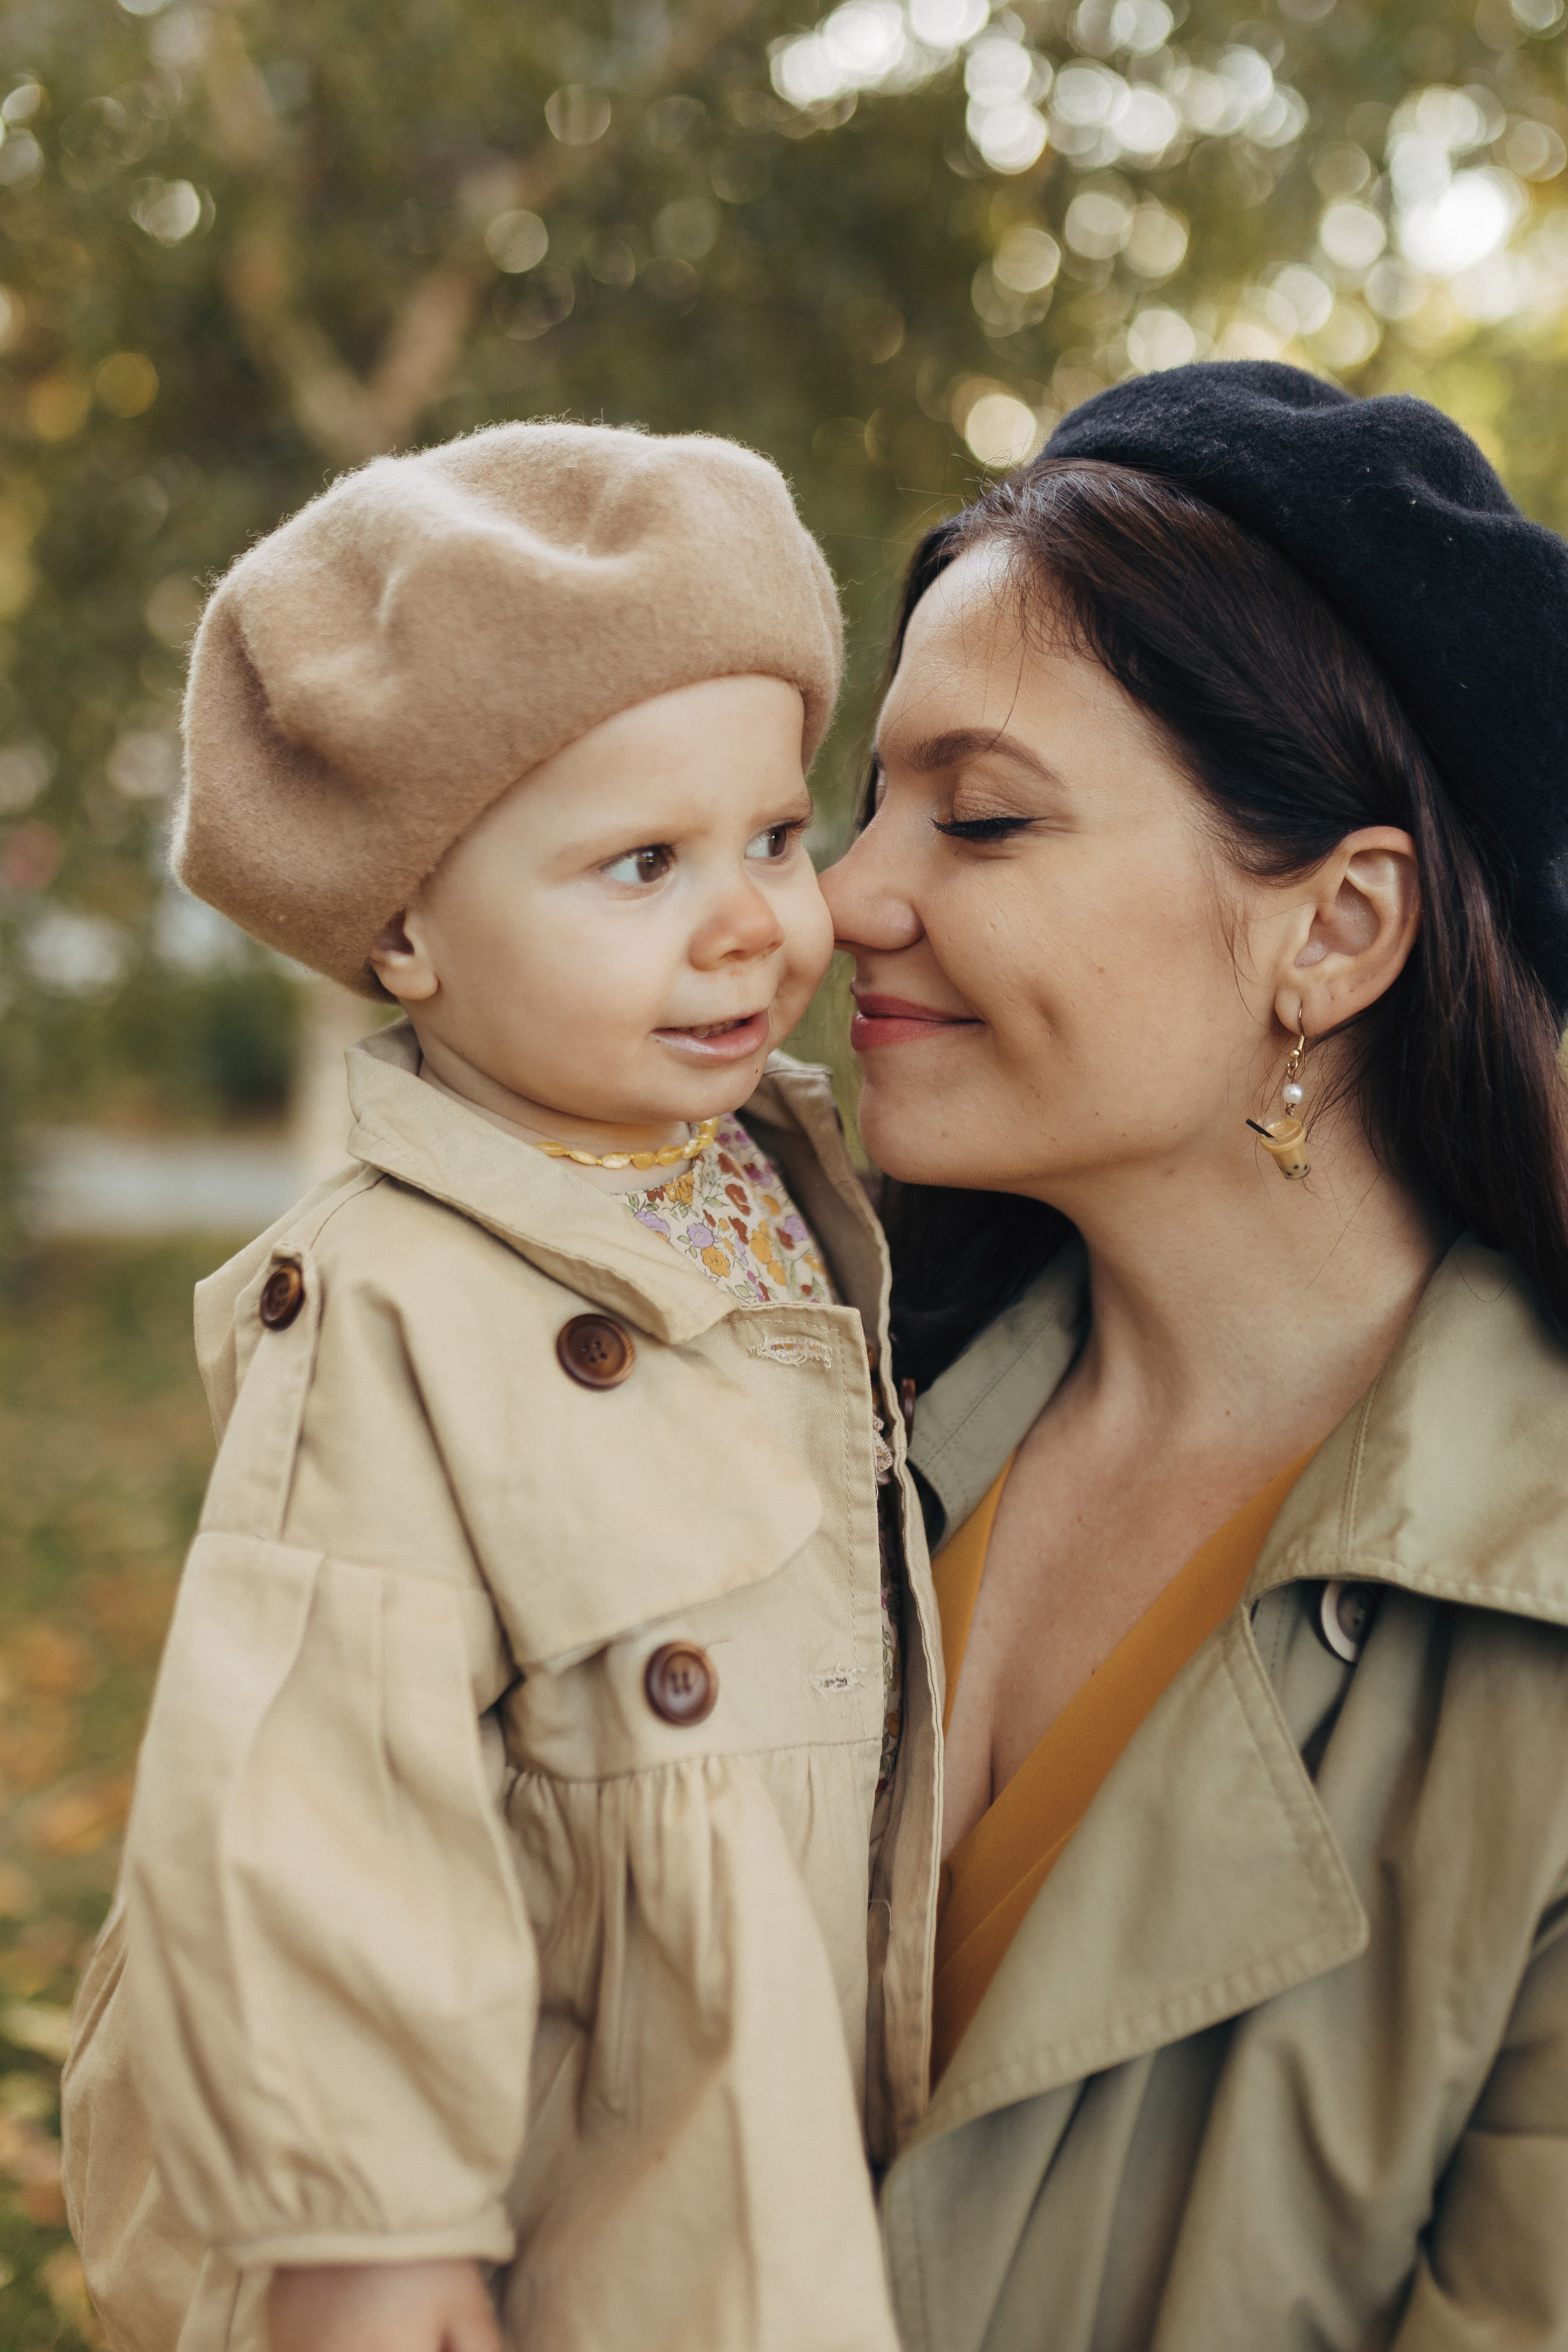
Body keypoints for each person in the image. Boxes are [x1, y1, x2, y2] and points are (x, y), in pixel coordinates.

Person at [62, 423, 940, 2352]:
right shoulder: (386, 1290)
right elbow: (317, 1786)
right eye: (643, 863)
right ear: (404, 935)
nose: (750, 921)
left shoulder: (793, 1184)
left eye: (775, 837)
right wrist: (364, 2226)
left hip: (790, 2092)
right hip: (558, 2150)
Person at [823, 361, 1568, 2351]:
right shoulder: (799, 1423)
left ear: (1333, 929)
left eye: (981, 818)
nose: (842, 895)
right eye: (871, 799)